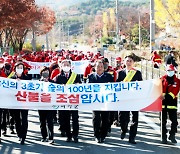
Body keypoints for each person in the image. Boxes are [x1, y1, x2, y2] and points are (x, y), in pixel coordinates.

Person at [116, 54, 143, 144]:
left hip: (134, 99)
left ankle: (132, 137)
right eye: (127, 61)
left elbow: (141, 85)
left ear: (133, 63)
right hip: (124, 99)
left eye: (130, 61)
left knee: (135, 119)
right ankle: (123, 130)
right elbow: (116, 85)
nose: (129, 62)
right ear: (124, 62)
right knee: (123, 118)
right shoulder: (120, 73)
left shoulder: (137, 73)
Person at [53, 59, 81, 143]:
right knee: (66, 119)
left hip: (74, 100)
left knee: (75, 119)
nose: (66, 67)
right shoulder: (58, 77)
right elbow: (54, 89)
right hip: (63, 101)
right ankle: (68, 135)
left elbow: (81, 86)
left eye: (67, 65)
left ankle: (75, 135)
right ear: (61, 67)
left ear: (70, 66)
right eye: (64, 65)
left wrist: (78, 85)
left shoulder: (76, 76)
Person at [88, 60, 114, 143]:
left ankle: (103, 135)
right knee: (96, 118)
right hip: (95, 101)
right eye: (98, 66)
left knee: (105, 118)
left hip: (105, 101)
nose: (99, 68)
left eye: (101, 67)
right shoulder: (90, 76)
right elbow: (87, 88)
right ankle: (96, 134)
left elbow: (113, 88)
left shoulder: (109, 76)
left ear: (104, 68)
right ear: (94, 68)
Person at [11, 62, 31, 145]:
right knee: (17, 119)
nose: (20, 69)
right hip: (15, 102)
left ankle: (23, 136)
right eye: (18, 67)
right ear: (15, 69)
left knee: (24, 119)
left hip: (24, 102)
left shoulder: (27, 78)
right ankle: (19, 134)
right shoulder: (11, 78)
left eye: (21, 67)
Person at [160, 64, 180, 144]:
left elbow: (175, 92)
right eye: (168, 71)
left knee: (174, 121)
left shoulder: (177, 81)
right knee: (163, 121)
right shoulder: (162, 79)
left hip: (172, 103)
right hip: (162, 103)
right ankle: (163, 137)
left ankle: (172, 135)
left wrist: (165, 96)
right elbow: (157, 88)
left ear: (174, 71)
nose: (170, 72)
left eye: (171, 71)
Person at [38, 66, 54, 144]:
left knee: (50, 121)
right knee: (42, 121)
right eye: (44, 72)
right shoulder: (37, 82)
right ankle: (44, 136)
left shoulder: (52, 82)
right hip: (41, 105)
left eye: (47, 72)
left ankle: (51, 137)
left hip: (50, 105)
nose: (45, 74)